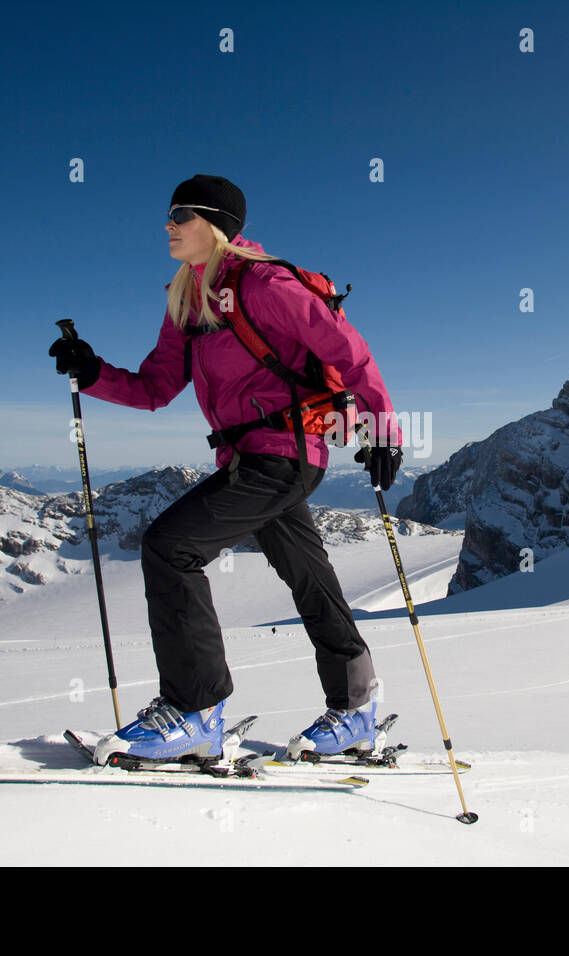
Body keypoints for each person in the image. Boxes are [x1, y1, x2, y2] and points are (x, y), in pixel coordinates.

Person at [49, 174, 403, 764]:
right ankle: (356, 709)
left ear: (215, 224)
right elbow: (157, 386)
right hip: (248, 457)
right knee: (309, 579)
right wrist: (92, 372)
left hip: (285, 454)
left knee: (170, 547)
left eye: (180, 215)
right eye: (167, 214)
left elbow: (348, 349)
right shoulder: (186, 298)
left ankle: (195, 711)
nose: (167, 224)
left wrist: (383, 428)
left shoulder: (265, 283)